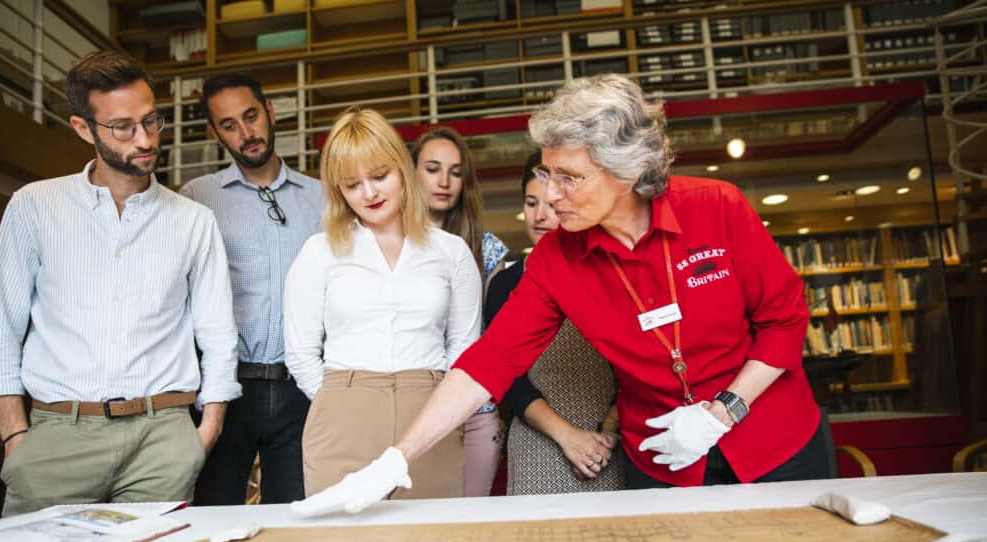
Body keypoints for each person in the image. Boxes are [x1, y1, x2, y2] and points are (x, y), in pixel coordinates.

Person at [290, 74, 829, 518]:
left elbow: (784, 320)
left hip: (774, 442)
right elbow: (489, 362)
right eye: (546, 172)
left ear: (629, 170)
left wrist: (723, 411)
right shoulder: (556, 260)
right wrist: (395, 460)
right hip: (664, 463)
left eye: (568, 177)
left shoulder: (717, 206)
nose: (547, 196)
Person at [0, 51, 240, 516]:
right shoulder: (34, 207)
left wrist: (205, 432)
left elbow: (217, 335)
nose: (145, 138)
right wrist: (16, 436)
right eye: (123, 127)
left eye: (151, 121)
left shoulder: (194, 221)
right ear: (83, 128)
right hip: (58, 435)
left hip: (164, 439)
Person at [284, 108, 481, 500]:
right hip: (342, 411)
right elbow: (300, 352)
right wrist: (336, 402)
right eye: (352, 185)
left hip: (431, 412)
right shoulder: (319, 251)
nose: (369, 194)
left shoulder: (452, 252)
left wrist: (442, 407)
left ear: (402, 169)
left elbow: (464, 348)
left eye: (379, 176)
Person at [180, 73, 323, 505]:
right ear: (215, 133)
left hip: (302, 389)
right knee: (211, 513)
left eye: (251, 116)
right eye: (229, 125)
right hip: (226, 390)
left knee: (298, 521)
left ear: (270, 112)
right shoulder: (195, 199)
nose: (246, 133)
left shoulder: (323, 198)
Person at [485, 151, 623, 493]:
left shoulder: (608, 271)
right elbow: (510, 380)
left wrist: (608, 428)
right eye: (530, 203)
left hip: (608, 441)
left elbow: (633, 360)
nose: (539, 215)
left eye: (549, 203)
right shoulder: (505, 285)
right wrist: (568, 437)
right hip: (538, 443)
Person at [412, 127, 508, 497]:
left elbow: (493, 336)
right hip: (411, 405)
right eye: (433, 169)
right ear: (412, 173)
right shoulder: (393, 244)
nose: (444, 181)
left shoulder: (487, 248)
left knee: (470, 524)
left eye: (455, 172)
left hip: (474, 409)